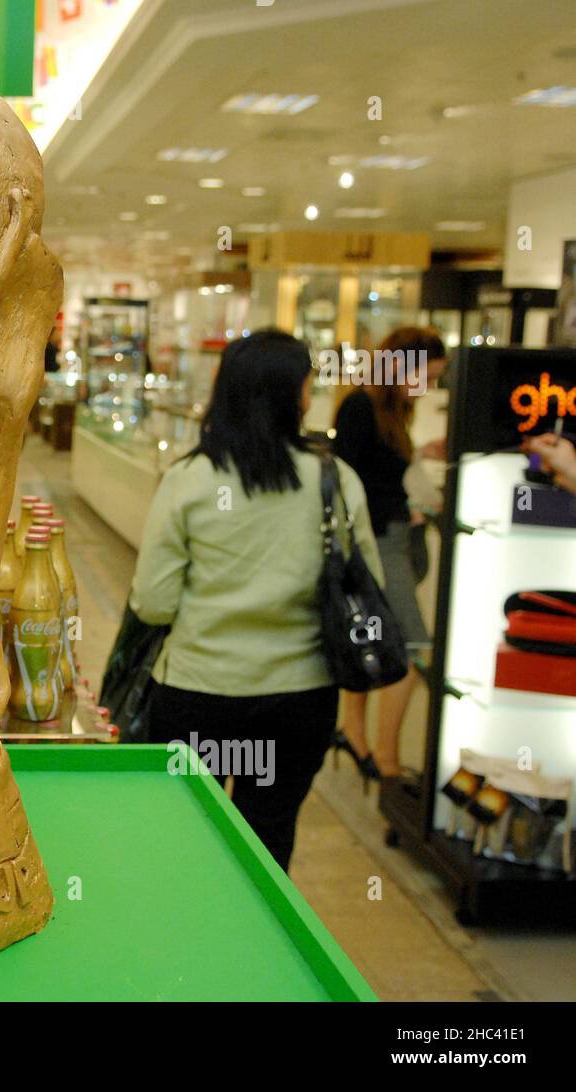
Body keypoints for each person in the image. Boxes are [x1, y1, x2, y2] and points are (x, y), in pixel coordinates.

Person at [130, 329, 382, 872]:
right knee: (268, 842)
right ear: (298, 395)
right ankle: (256, 948)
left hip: (199, 691)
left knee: (182, 843)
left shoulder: (189, 481)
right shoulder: (335, 481)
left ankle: (185, 946)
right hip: (298, 700)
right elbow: (366, 586)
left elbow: (152, 602)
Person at [331, 327, 442, 783]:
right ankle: (386, 759)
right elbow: (349, 479)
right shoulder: (362, 406)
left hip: (390, 537)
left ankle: (353, 735)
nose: (430, 386)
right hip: (378, 541)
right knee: (412, 648)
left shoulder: (392, 408)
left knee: (372, 640)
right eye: (427, 375)